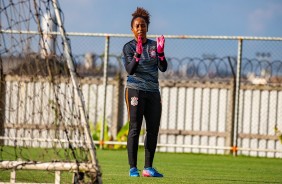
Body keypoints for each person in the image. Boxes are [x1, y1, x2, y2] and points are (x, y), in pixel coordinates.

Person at [122, 7, 167, 177]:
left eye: (143, 25)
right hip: (135, 90)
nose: (140, 29)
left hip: (153, 92)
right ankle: (133, 168)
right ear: (132, 29)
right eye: (137, 26)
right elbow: (130, 70)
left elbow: (163, 68)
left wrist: (161, 54)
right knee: (135, 128)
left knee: (153, 129)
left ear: (147, 27)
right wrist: (138, 55)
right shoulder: (128, 47)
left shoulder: (155, 46)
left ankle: (148, 168)